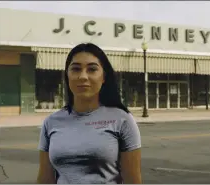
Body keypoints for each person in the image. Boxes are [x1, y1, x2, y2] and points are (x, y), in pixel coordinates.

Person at [36, 43, 142, 184]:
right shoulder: (51, 122)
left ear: (103, 77)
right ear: (67, 76)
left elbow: (133, 180)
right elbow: (45, 179)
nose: (83, 76)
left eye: (92, 69)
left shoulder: (122, 120)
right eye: (76, 69)